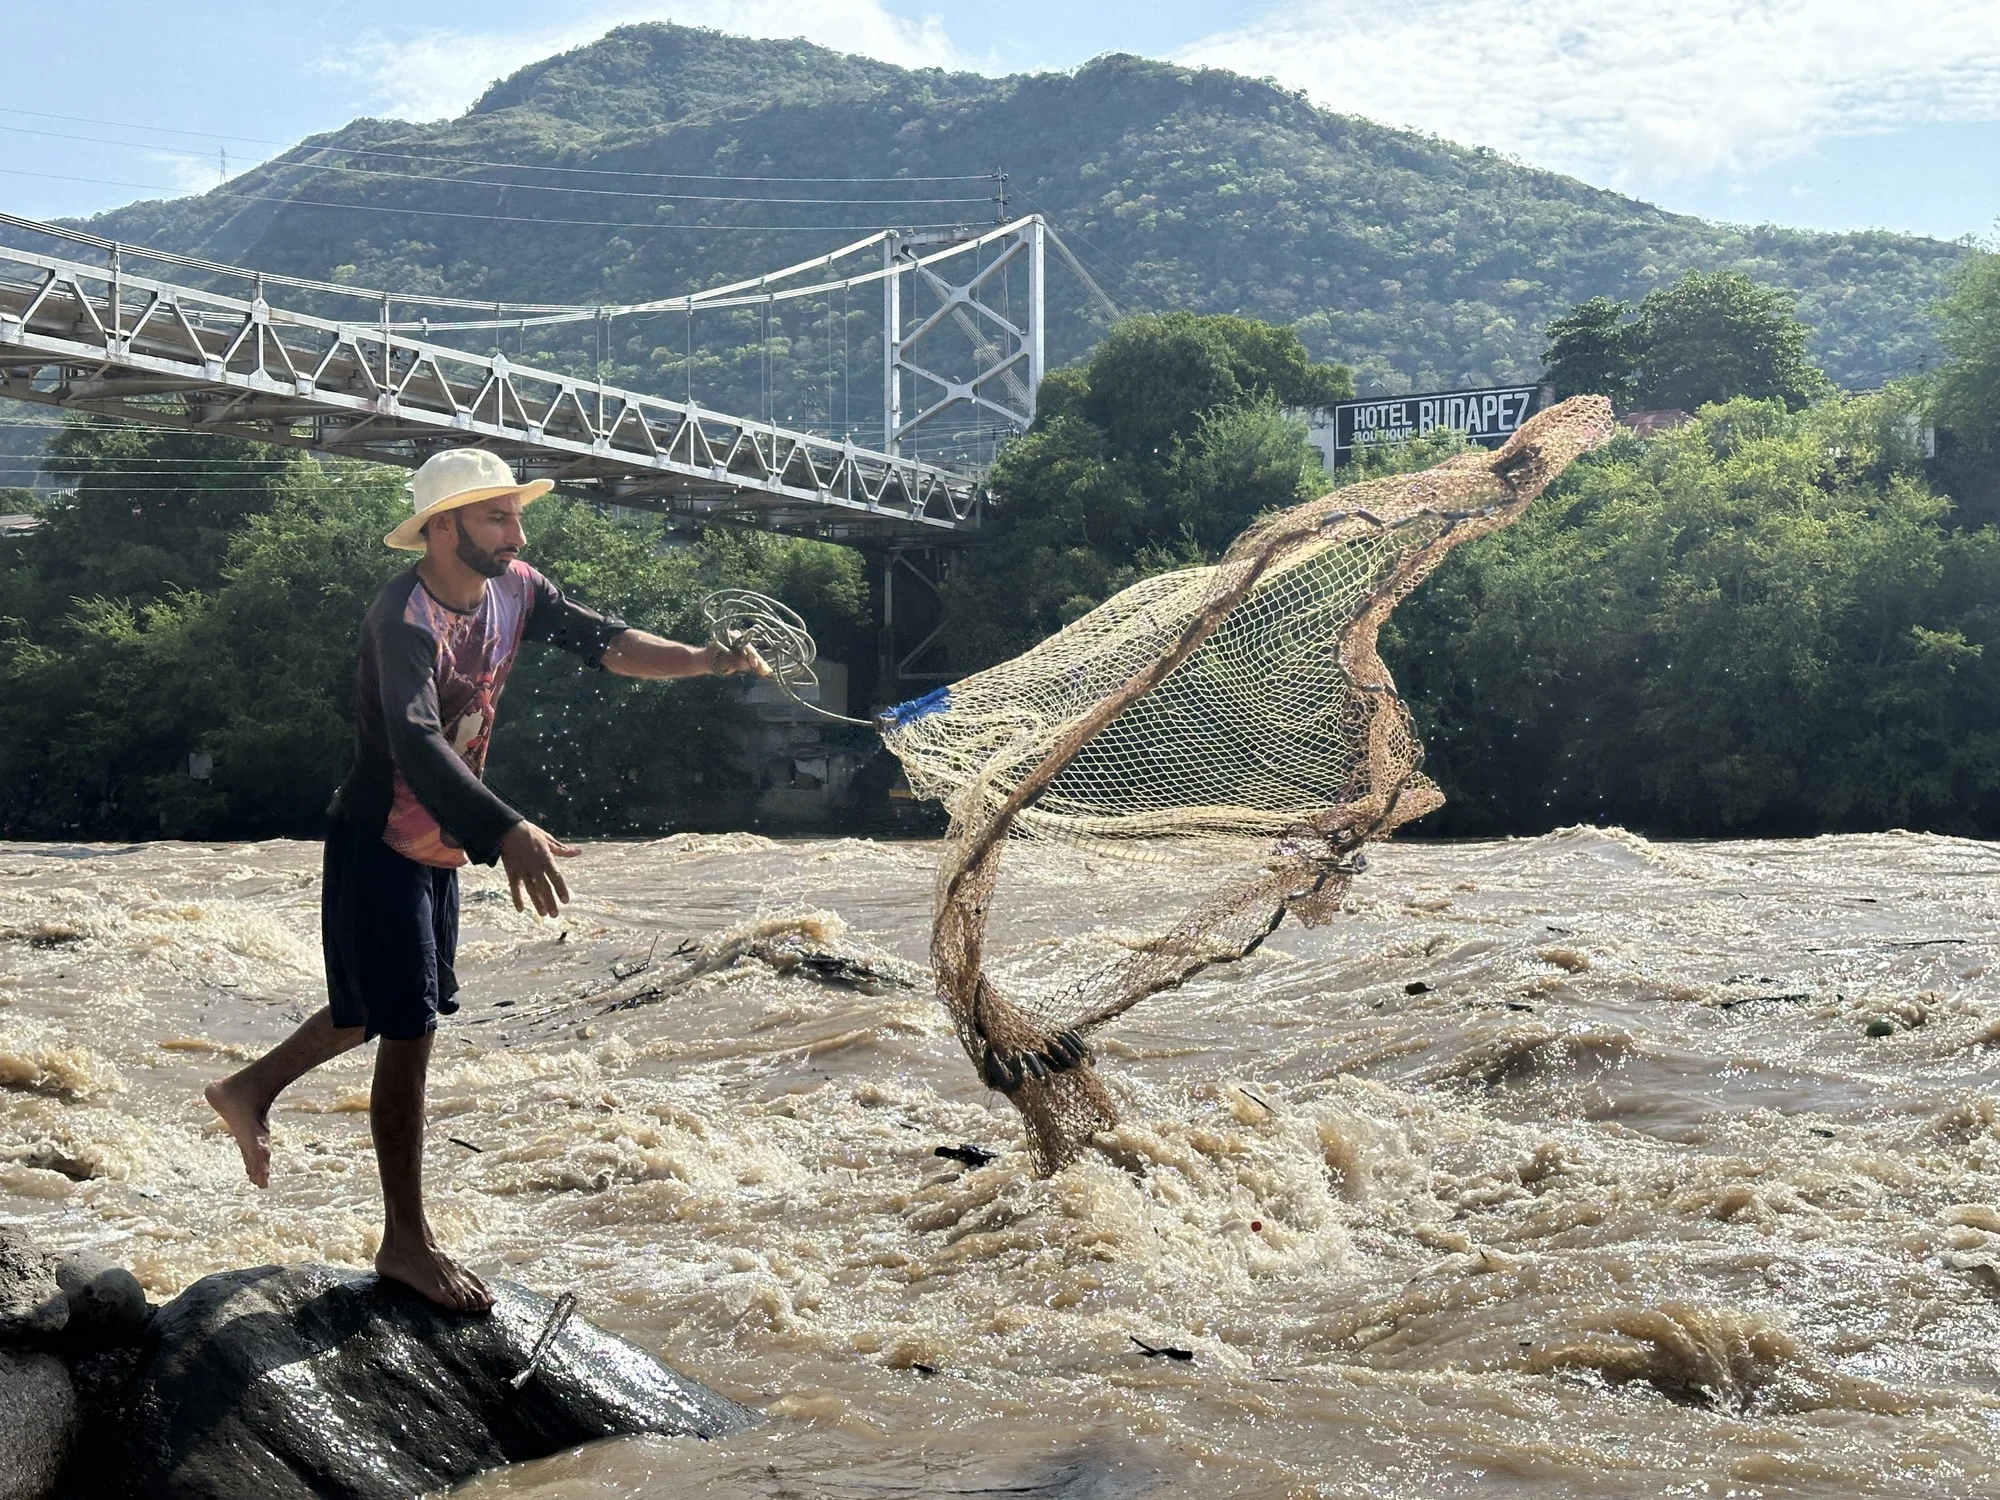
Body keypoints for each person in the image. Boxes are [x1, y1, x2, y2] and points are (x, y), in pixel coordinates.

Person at [204, 448, 766, 1312]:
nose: (517, 531)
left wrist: (703, 660)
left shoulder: (518, 587)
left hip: (437, 841)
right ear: (442, 527)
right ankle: (405, 1243)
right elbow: (415, 740)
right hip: (380, 837)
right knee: (408, 1024)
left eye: (515, 515)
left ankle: (247, 1090)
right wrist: (506, 831)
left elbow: (607, 643)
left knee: (375, 1005)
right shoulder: (402, 620)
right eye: (497, 517)